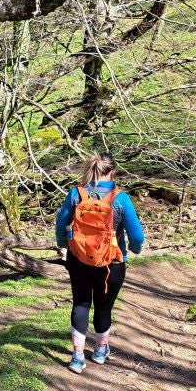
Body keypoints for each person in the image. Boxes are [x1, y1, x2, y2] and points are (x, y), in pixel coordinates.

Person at [55, 152, 145, 374]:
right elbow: (137, 236)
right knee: (104, 307)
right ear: (112, 171)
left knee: (81, 303)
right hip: (112, 263)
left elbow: (60, 225)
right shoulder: (121, 198)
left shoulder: (76, 194)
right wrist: (134, 249)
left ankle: (77, 357)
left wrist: (65, 244)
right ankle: (100, 350)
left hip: (79, 260)